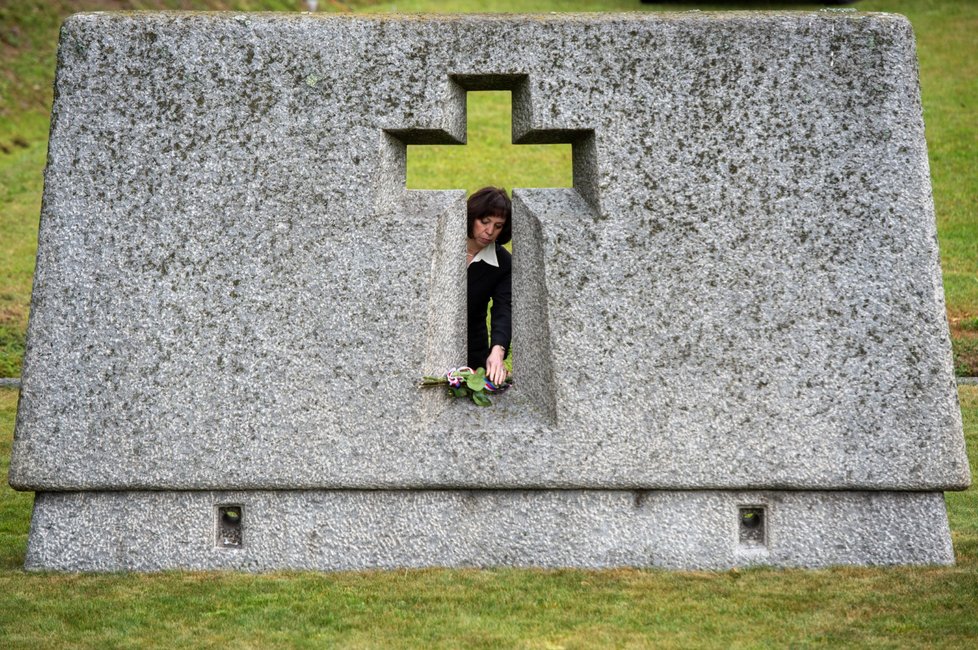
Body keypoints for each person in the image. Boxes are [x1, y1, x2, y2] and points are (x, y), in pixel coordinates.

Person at [466, 187, 512, 388]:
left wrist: (497, 351)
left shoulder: (503, 263)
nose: (490, 231)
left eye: (498, 225)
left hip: (472, 351)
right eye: (484, 222)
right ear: (471, 217)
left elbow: (504, 308)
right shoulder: (440, 244)